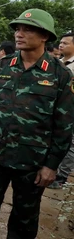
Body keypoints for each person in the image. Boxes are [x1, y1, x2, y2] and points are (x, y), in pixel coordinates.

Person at [0, 9, 74, 239]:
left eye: (27, 29)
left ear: (45, 35)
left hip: (33, 163)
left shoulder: (60, 75)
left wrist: (52, 165)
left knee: (24, 221)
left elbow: (64, 125)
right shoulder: (3, 66)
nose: (19, 33)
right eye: (17, 29)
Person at [48, 31, 74, 189]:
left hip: (71, 111)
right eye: (61, 42)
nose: (61, 45)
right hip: (56, 109)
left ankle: (61, 176)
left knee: (70, 144)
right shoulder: (59, 63)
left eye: (66, 43)